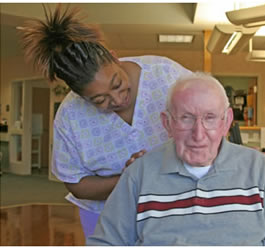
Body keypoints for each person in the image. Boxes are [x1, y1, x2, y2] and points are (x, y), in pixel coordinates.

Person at [19, 4, 192, 238]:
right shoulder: (70, 117)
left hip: (173, 207)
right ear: (80, 96)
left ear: (113, 56)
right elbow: (76, 184)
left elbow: (208, 124)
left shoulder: (166, 74)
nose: (118, 99)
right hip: (105, 215)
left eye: (118, 84)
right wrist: (128, 179)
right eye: (99, 100)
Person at [86, 72, 265, 246]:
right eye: (186, 118)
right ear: (168, 123)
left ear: (227, 121)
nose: (199, 134)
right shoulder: (139, 174)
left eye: (210, 118)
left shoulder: (260, 170)